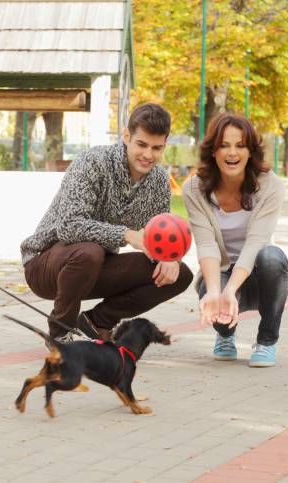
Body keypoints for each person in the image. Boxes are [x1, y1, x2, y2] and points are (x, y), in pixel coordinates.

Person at [20, 103, 193, 342]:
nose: (148, 155)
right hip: (46, 263)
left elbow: (158, 237)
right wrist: (127, 235)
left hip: (94, 267)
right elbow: (69, 226)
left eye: (156, 148)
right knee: (89, 252)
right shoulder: (93, 161)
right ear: (126, 136)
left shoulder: (159, 181)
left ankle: (97, 321)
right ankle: (61, 333)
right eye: (141, 144)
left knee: (180, 274)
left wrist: (170, 257)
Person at [183, 113, 288, 367]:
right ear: (213, 151)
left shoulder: (271, 186)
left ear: (250, 151)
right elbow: (206, 243)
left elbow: (256, 242)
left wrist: (231, 290)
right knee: (212, 291)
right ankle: (225, 336)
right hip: (220, 272)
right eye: (224, 145)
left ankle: (266, 341)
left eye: (240, 145)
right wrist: (215, 292)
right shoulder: (194, 189)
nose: (232, 153)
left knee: (272, 256)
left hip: (259, 276)